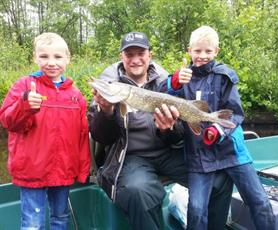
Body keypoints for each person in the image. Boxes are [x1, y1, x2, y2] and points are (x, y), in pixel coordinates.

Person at [89, 31, 233, 230]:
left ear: (150, 55)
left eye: (141, 53)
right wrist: (105, 112)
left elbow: (181, 134)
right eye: (129, 54)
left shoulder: (167, 82)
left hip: (168, 152)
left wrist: (167, 129)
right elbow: (100, 136)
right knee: (138, 191)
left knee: (221, 178)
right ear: (121, 57)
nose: (135, 59)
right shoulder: (110, 84)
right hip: (131, 156)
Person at [166, 25, 276, 230]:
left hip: (232, 151)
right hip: (199, 155)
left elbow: (235, 113)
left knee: (260, 202)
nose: (202, 56)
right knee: (197, 210)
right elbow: (162, 95)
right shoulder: (182, 78)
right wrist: (174, 83)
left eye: (208, 51)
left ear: (216, 51)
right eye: (197, 51)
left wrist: (218, 130)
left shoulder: (225, 75)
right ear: (189, 50)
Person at [0, 32, 91, 229]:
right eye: (44, 56)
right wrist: (24, 105)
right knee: (33, 224)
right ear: (35, 57)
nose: (51, 62)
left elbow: (82, 136)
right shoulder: (24, 85)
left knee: (60, 218)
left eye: (57, 57)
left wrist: (83, 170)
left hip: (63, 170)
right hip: (32, 169)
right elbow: (8, 122)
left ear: (67, 58)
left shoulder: (76, 95)